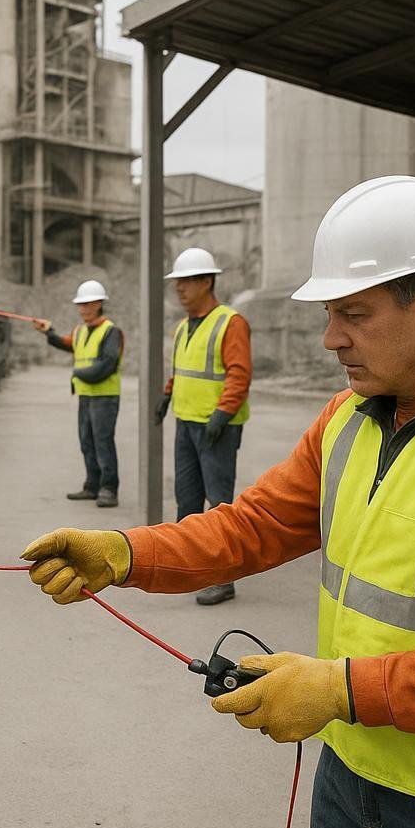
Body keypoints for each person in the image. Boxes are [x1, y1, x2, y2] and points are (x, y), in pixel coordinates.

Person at [22, 176, 415, 828]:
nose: (331, 338)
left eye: (353, 315)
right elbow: (252, 527)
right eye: (331, 314)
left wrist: (336, 690)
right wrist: (122, 553)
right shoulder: (347, 419)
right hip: (352, 771)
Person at [153, 247, 251, 604]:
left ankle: (224, 578)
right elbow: (181, 370)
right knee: (188, 499)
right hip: (187, 421)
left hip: (216, 428)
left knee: (219, 503)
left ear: (207, 281)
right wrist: (167, 396)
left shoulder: (230, 322)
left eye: (187, 281)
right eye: (177, 282)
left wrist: (222, 415)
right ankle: (190, 566)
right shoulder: (182, 328)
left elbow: (239, 374)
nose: (179, 288)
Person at [32, 279, 124, 508]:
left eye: (87, 304)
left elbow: (107, 364)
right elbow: (68, 344)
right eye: (80, 304)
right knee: (87, 442)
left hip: (105, 397)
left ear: (99, 304)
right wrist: (49, 332)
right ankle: (92, 486)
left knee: (103, 442)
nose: (82, 308)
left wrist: (78, 372)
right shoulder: (80, 331)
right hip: (86, 396)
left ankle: (109, 489)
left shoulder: (111, 332)